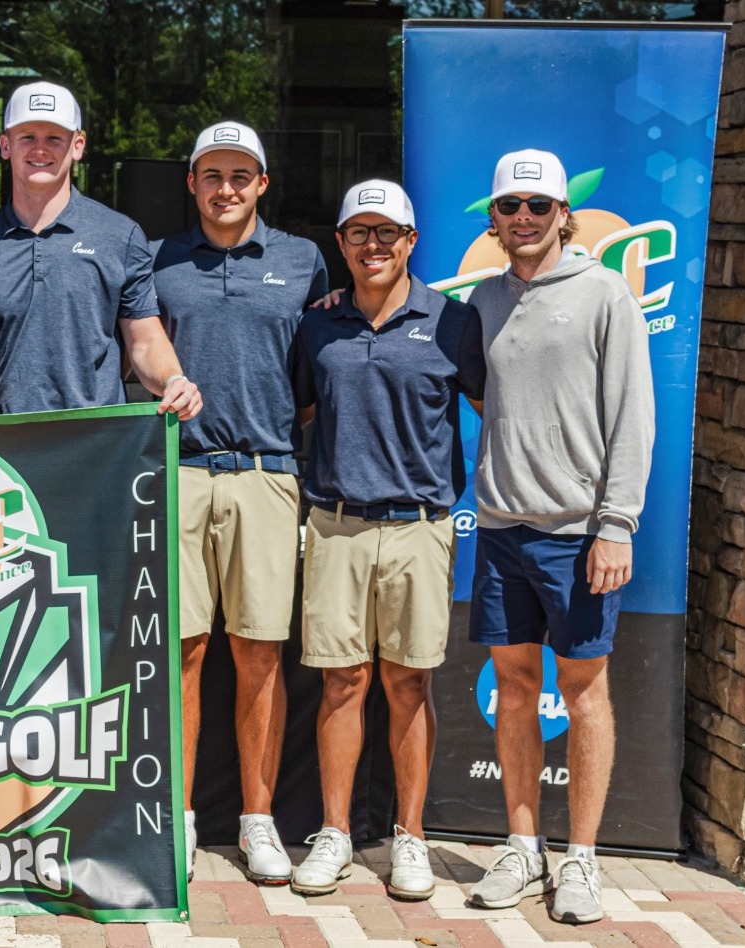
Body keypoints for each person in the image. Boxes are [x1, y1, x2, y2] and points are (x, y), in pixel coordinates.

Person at [464, 149, 654, 924]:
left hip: (580, 536)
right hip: (503, 529)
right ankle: (521, 845)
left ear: (563, 215)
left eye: (537, 207)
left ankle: (580, 860)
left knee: (583, 696)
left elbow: (632, 418)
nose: (523, 220)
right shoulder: (481, 300)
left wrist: (615, 525)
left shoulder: (607, 294)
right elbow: (484, 397)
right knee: (514, 691)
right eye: (508, 207)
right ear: (496, 219)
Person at [288, 179, 482, 901]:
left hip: (419, 528)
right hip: (336, 523)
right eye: (358, 234)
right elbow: (301, 409)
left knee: (408, 682)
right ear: (340, 244)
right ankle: (335, 833)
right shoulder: (318, 326)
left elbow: (497, 406)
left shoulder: (454, 322)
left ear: (411, 242)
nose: (373, 246)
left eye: (387, 233)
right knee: (342, 683)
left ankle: (410, 837)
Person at [151, 122, 327, 884]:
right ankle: (180, 821)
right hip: (179, 472)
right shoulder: (158, 263)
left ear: (262, 183)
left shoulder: (303, 260)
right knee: (183, 654)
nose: (227, 189)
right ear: (192, 183)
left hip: (267, 473)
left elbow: (320, 379)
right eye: (212, 175)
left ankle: (259, 822)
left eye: (241, 176)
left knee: (259, 652)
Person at [0, 81, 201, 421]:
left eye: (54, 138)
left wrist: (174, 380)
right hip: (3, 448)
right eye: (27, 136)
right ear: (5, 145)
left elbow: (143, 339)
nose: (40, 149)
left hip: (93, 443)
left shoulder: (120, 236)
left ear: (78, 145)